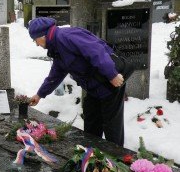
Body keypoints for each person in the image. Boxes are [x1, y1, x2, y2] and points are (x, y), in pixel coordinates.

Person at [28, 17, 125, 147]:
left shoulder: (67, 36)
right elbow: (56, 74)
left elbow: (96, 51)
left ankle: (116, 159)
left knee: (112, 127)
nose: (36, 44)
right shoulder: (56, 47)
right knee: (91, 123)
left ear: (43, 35)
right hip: (93, 87)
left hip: (109, 83)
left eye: (35, 40)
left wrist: (111, 75)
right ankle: (91, 157)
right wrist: (40, 94)